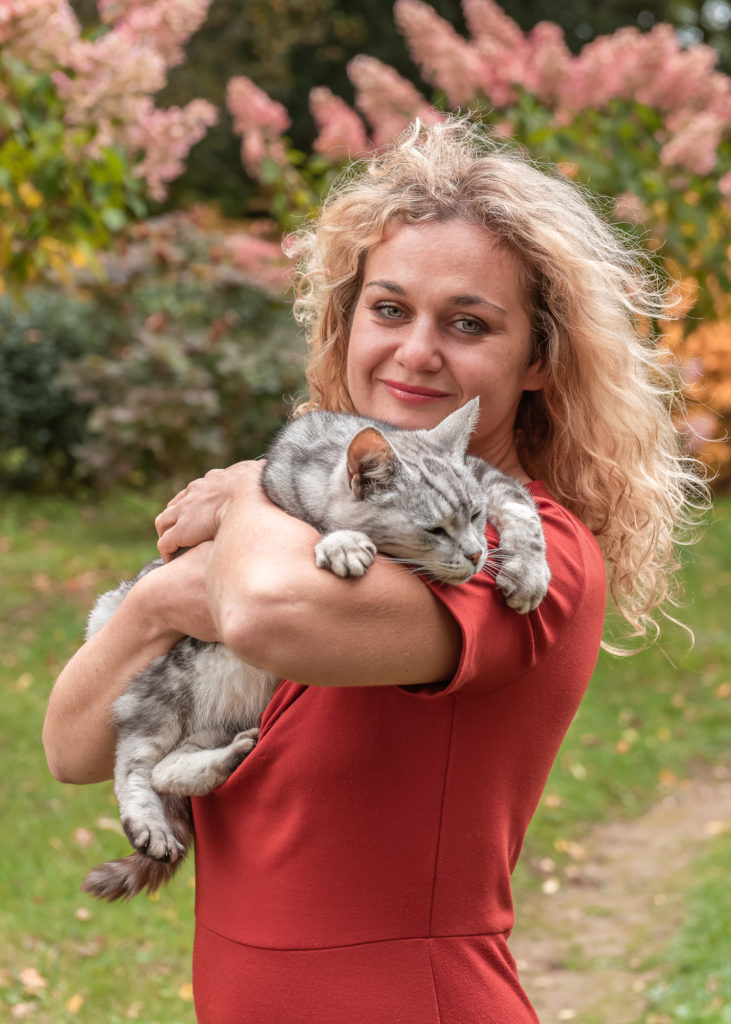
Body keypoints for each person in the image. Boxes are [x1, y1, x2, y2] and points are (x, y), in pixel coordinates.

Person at [42, 117, 706, 1023]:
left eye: (467, 323)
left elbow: (262, 614)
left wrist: (246, 490)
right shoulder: (319, 524)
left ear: (540, 360)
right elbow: (71, 748)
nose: (416, 350)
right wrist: (160, 600)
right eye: (388, 309)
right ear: (345, 321)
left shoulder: (524, 557)